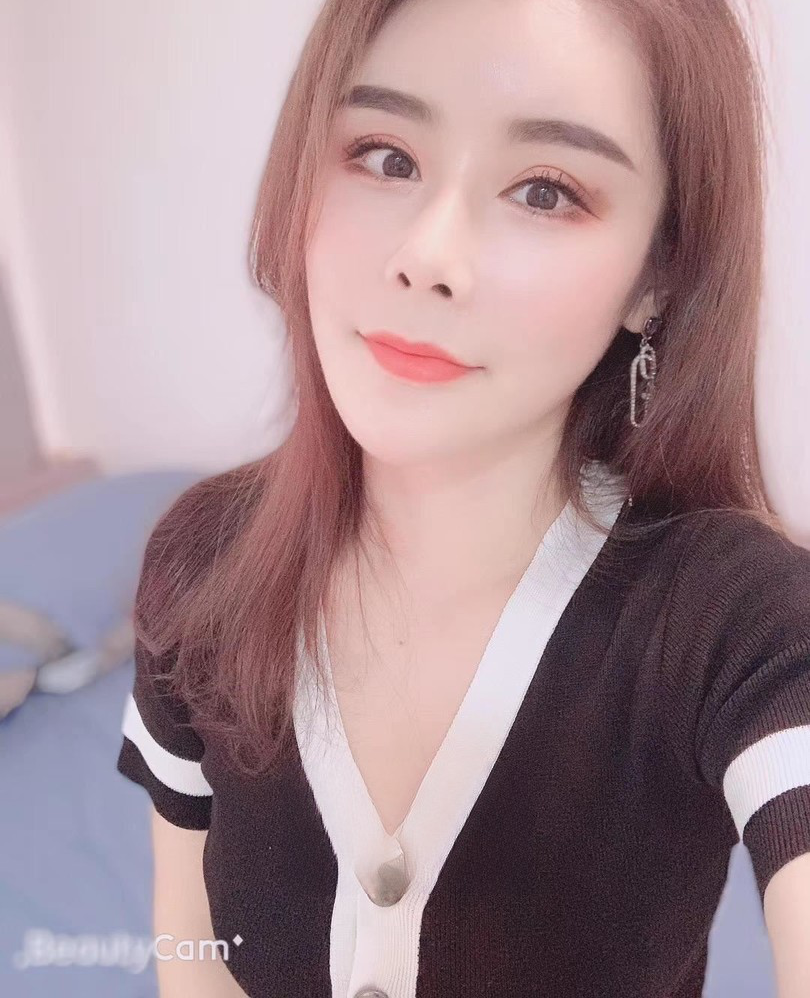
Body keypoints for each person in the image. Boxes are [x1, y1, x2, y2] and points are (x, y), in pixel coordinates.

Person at [116, 0, 810, 995]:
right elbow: (189, 949)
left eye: (545, 191)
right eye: (385, 157)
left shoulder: (740, 623)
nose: (428, 255)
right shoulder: (202, 562)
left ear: (655, 276)